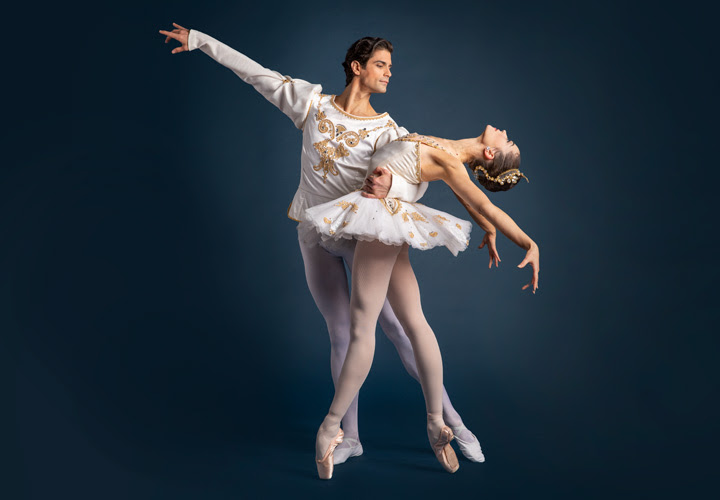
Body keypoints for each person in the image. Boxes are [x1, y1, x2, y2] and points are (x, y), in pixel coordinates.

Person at [159, 23, 488, 464]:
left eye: (390, 66)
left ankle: (452, 421)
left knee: (396, 328)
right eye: (381, 65)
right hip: (313, 234)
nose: (389, 73)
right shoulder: (312, 105)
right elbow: (255, 73)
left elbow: (417, 177)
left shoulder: (389, 131)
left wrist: (394, 187)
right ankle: (350, 438)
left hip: (360, 237)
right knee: (340, 333)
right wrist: (200, 40)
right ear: (357, 67)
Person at [307, 127, 539, 479]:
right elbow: (470, 201)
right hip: (391, 219)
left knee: (362, 328)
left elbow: (484, 204)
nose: (505, 132)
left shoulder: (450, 161)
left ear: (490, 154)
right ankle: (434, 423)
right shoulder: (450, 152)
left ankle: (330, 427)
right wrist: (488, 229)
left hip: (381, 220)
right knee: (415, 323)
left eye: (507, 140)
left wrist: (528, 243)